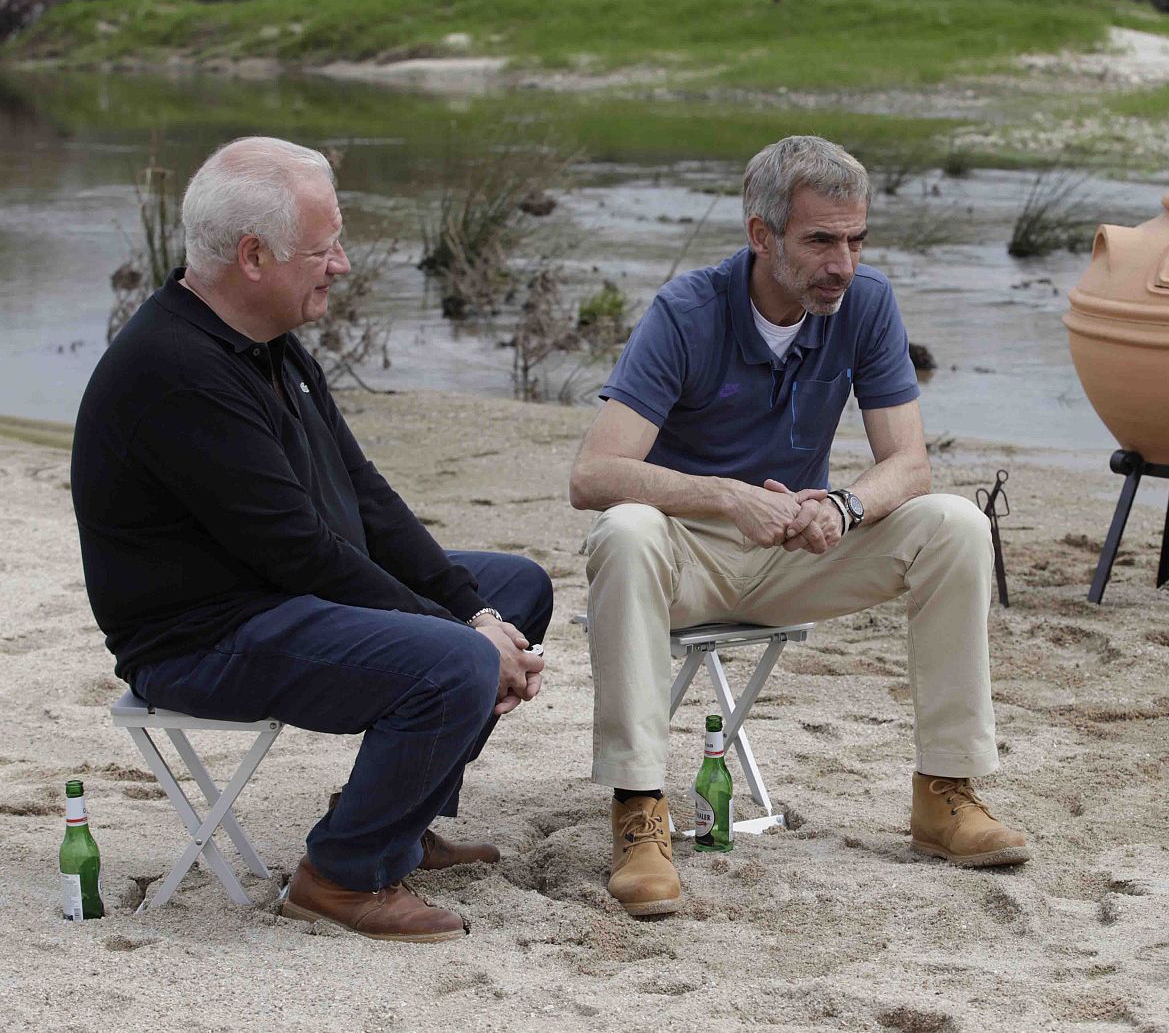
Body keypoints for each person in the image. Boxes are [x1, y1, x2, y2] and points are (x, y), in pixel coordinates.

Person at [71, 137, 552, 943]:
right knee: (456, 659)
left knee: (514, 589)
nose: (342, 264)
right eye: (323, 249)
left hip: (276, 596)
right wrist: (466, 636)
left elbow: (363, 495)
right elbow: (299, 551)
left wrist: (474, 610)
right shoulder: (177, 370)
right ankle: (341, 874)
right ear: (253, 256)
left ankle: (396, 822)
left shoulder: (266, 341)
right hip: (202, 638)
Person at [568, 135, 1030, 918]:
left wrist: (842, 506)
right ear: (762, 234)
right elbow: (593, 474)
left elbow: (909, 463)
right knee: (625, 530)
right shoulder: (685, 312)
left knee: (955, 522)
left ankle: (944, 792)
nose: (842, 264)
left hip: (798, 554)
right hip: (686, 560)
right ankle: (640, 814)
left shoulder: (866, 303)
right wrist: (727, 496)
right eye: (821, 241)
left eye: (856, 241)